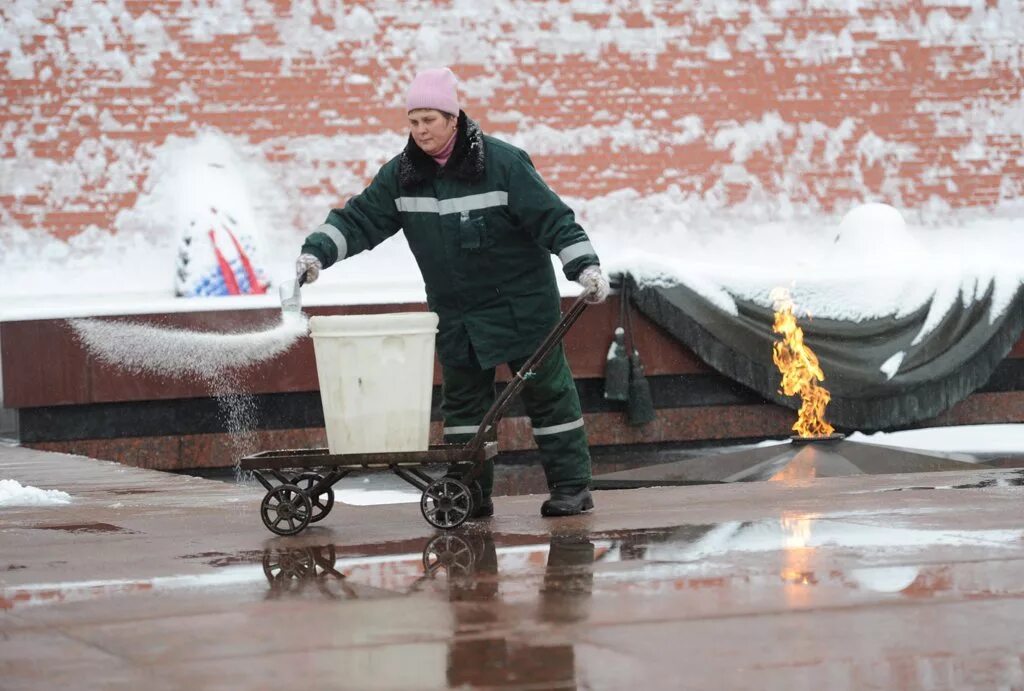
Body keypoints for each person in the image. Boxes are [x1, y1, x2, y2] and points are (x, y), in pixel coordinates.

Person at [295, 67, 610, 517]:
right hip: (458, 315)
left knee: (549, 395)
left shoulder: (503, 164)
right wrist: (317, 253)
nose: (421, 131)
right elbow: (359, 219)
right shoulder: (403, 177)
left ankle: (572, 488)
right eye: (413, 121)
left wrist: (584, 265)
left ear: (453, 118)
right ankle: (470, 495)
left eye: (430, 120)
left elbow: (553, 219)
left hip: (521, 306)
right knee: (463, 407)